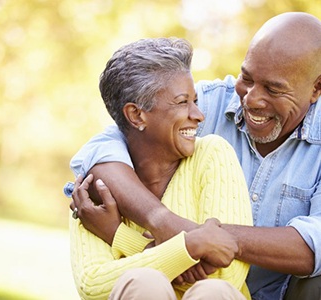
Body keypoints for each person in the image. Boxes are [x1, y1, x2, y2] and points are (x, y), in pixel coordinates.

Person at [67, 12, 321, 300]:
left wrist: (194, 239)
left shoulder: (210, 146)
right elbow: (102, 148)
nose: (250, 100)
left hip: (282, 292)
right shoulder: (207, 101)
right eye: (246, 78)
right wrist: (163, 223)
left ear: (316, 88)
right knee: (146, 285)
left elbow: (314, 246)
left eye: (274, 89)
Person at [66, 37, 253, 299]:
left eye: (195, 101)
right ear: (137, 115)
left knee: (212, 291)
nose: (199, 115)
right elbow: (93, 285)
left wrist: (119, 236)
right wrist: (190, 246)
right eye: (182, 102)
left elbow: (227, 274)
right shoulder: (95, 188)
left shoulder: (213, 154)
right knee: (143, 284)